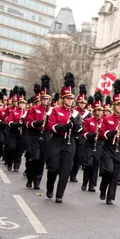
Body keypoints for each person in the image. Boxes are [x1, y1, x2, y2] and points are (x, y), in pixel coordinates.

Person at [45, 74, 82, 203]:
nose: (70, 100)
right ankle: (50, 187)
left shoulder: (76, 113)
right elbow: (51, 127)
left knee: (65, 170)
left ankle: (60, 194)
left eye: (72, 98)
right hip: (57, 141)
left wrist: (75, 124)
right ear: (63, 99)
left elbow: (80, 129)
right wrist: (65, 126)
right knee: (54, 168)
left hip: (69, 143)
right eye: (68, 98)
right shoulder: (56, 110)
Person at [98, 93, 120, 205]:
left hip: (119, 148)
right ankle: (103, 188)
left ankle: (110, 196)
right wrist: (113, 132)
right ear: (114, 106)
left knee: (115, 173)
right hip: (108, 147)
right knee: (109, 170)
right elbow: (102, 133)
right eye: (118, 105)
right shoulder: (107, 118)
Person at [24, 79, 51, 190]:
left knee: (42, 159)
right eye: (43, 98)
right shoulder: (34, 109)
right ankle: (30, 178)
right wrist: (39, 123)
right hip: (35, 135)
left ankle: (37, 181)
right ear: (40, 99)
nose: (45, 100)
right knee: (35, 157)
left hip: (45, 135)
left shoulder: (51, 110)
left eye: (47, 98)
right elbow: (28, 122)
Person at [81, 95, 104, 192]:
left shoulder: (103, 121)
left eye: (100, 110)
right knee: (88, 164)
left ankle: (92, 184)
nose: (99, 112)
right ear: (94, 111)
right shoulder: (88, 120)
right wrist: (93, 134)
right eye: (97, 110)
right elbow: (84, 134)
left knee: (95, 165)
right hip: (89, 145)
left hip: (99, 145)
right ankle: (85, 182)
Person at [69, 85, 89, 183]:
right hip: (72, 135)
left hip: (81, 137)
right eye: (81, 102)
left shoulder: (88, 113)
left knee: (78, 157)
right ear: (77, 102)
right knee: (70, 156)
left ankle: (73, 175)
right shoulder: (73, 112)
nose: (83, 104)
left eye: (84, 103)